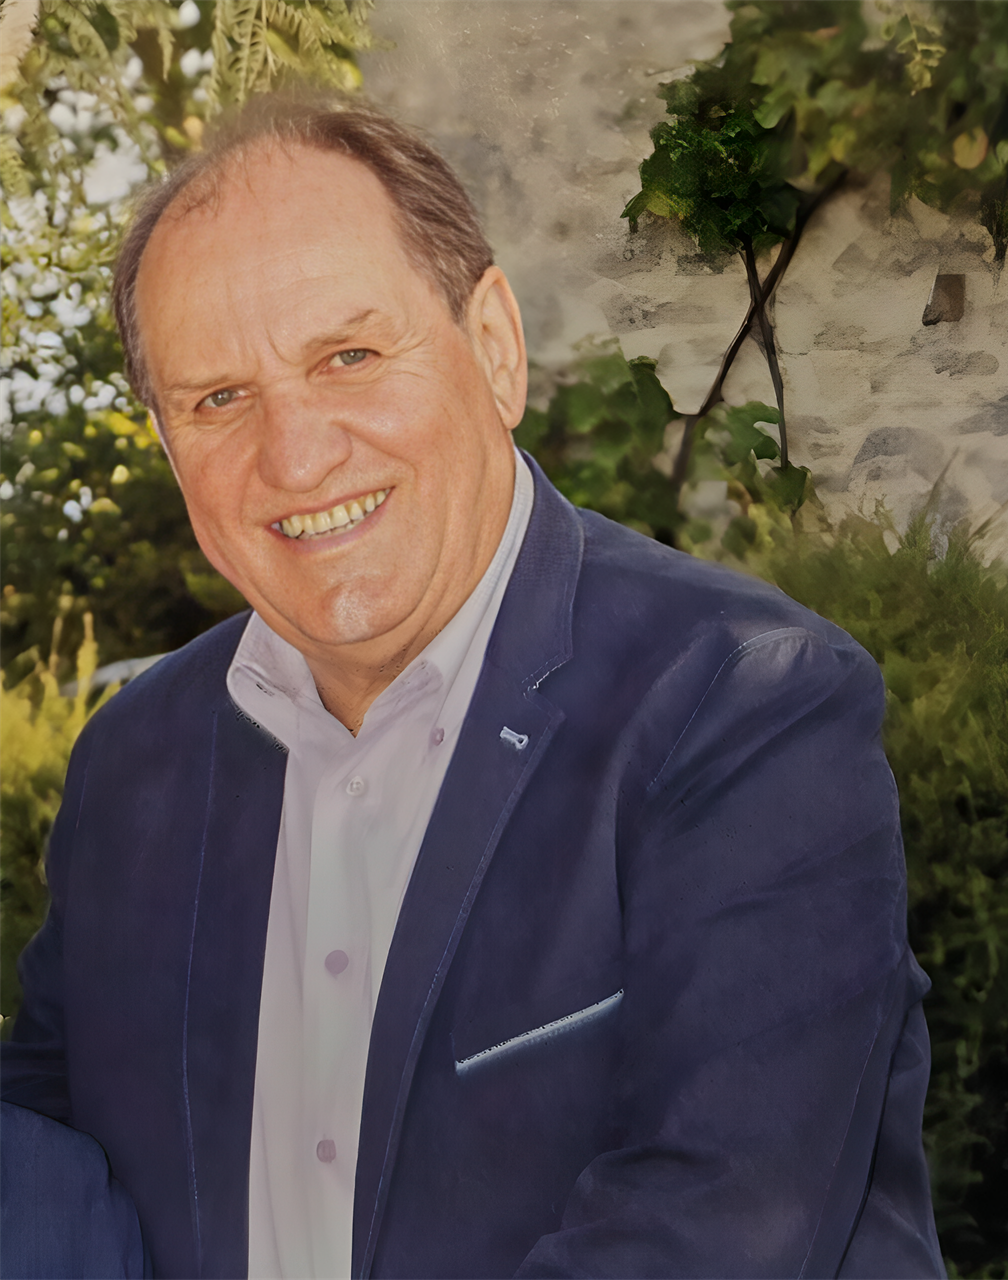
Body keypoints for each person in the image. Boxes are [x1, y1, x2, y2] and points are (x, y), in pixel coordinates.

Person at [0, 96, 946, 1280]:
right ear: (164, 437)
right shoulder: (133, 764)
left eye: (348, 356)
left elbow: (712, 1230)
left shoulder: (746, 706)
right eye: (219, 398)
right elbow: (43, 1157)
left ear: (494, 344)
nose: (296, 454)